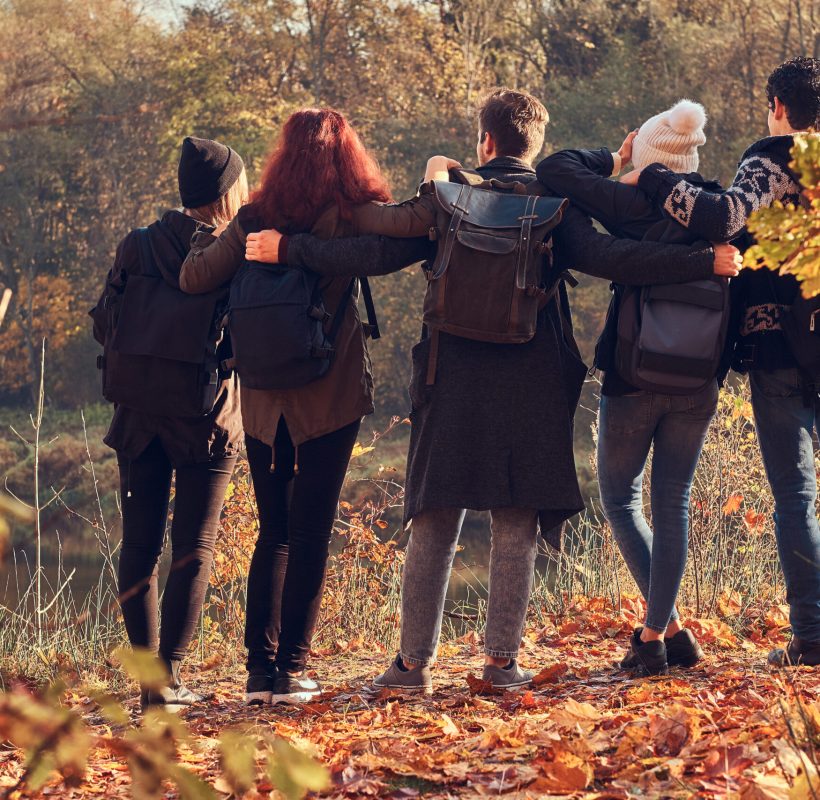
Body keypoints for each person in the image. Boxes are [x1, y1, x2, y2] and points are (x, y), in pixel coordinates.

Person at [245, 88, 742, 693]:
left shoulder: (451, 199)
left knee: (435, 517)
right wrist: (700, 260)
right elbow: (620, 259)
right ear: (532, 145)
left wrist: (291, 246)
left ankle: (410, 665)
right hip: (530, 379)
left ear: (485, 141)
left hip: (450, 377)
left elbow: (373, 251)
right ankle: (501, 664)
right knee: (515, 520)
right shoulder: (558, 206)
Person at [178, 109, 447, 704]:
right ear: (347, 155)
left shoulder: (253, 219)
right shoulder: (348, 215)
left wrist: (227, 242)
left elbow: (195, 278)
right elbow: (418, 223)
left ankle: (258, 673)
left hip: (262, 399)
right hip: (329, 397)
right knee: (311, 531)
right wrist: (432, 176)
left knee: (273, 531)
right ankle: (293, 669)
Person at [627, 57, 820, 668]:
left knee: (796, 496)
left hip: (784, 348)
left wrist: (654, 177)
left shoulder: (773, 157)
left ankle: (813, 639)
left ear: (778, 105)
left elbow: (722, 218)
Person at [537, 100, 722, 674]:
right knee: (674, 502)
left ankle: (657, 634)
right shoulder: (717, 207)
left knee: (621, 498)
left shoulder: (634, 202)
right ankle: (668, 629)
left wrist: (617, 157)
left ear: (648, 158)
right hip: (699, 378)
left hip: (635, 374)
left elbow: (556, 169)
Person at [91, 137, 247, 709]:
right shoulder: (230, 251)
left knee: (139, 544)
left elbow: (104, 323)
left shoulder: (136, 245)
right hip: (206, 416)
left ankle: (149, 684)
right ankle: (171, 676)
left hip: (136, 413)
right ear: (226, 192)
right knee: (193, 546)